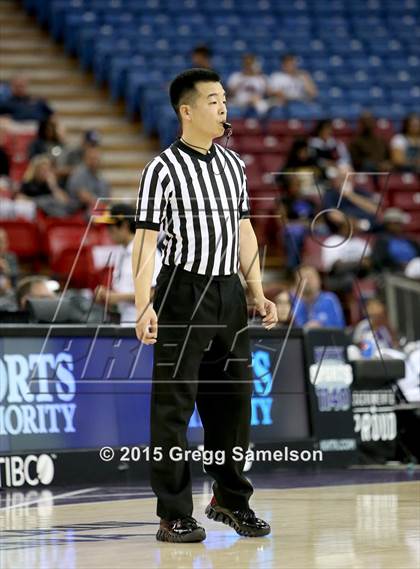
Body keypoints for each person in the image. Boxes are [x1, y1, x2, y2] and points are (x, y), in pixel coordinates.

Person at [132, 68, 277, 543]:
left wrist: (255, 290)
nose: (223, 108)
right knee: (173, 408)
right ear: (187, 111)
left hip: (228, 293)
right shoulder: (163, 168)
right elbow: (145, 241)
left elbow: (244, 230)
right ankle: (173, 513)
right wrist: (143, 304)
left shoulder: (232, 165)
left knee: (234, 406)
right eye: (213, 101)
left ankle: (231, 501)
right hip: (181, 290)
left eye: (224, 100)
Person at [94, 203, 162, 324]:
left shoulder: (146, 252)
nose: (108, 231)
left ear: (125, 226)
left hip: (143, 323)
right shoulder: (121, 251)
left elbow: (154, 293)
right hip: (126, 321)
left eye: (111, 227)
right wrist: (107, 295)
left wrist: (116, 298)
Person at [372, 208, 420, 272]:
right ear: (388, 224)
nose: (400, 225)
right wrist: (399, 266)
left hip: (414, 268)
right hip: (395, 273)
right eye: (397, 223)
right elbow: (380, 261)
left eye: (400, 223)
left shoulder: (409, 240)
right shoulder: (382, 241)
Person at [66, 145, 110, 211]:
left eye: (97, 158)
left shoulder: (100, 178)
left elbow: (107, 197)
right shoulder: (78, 175)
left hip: (96, 209)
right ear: (85, 159)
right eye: (92, 159)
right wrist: (100, 203)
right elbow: (84, 197)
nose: (95, 161)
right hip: (78, 211)